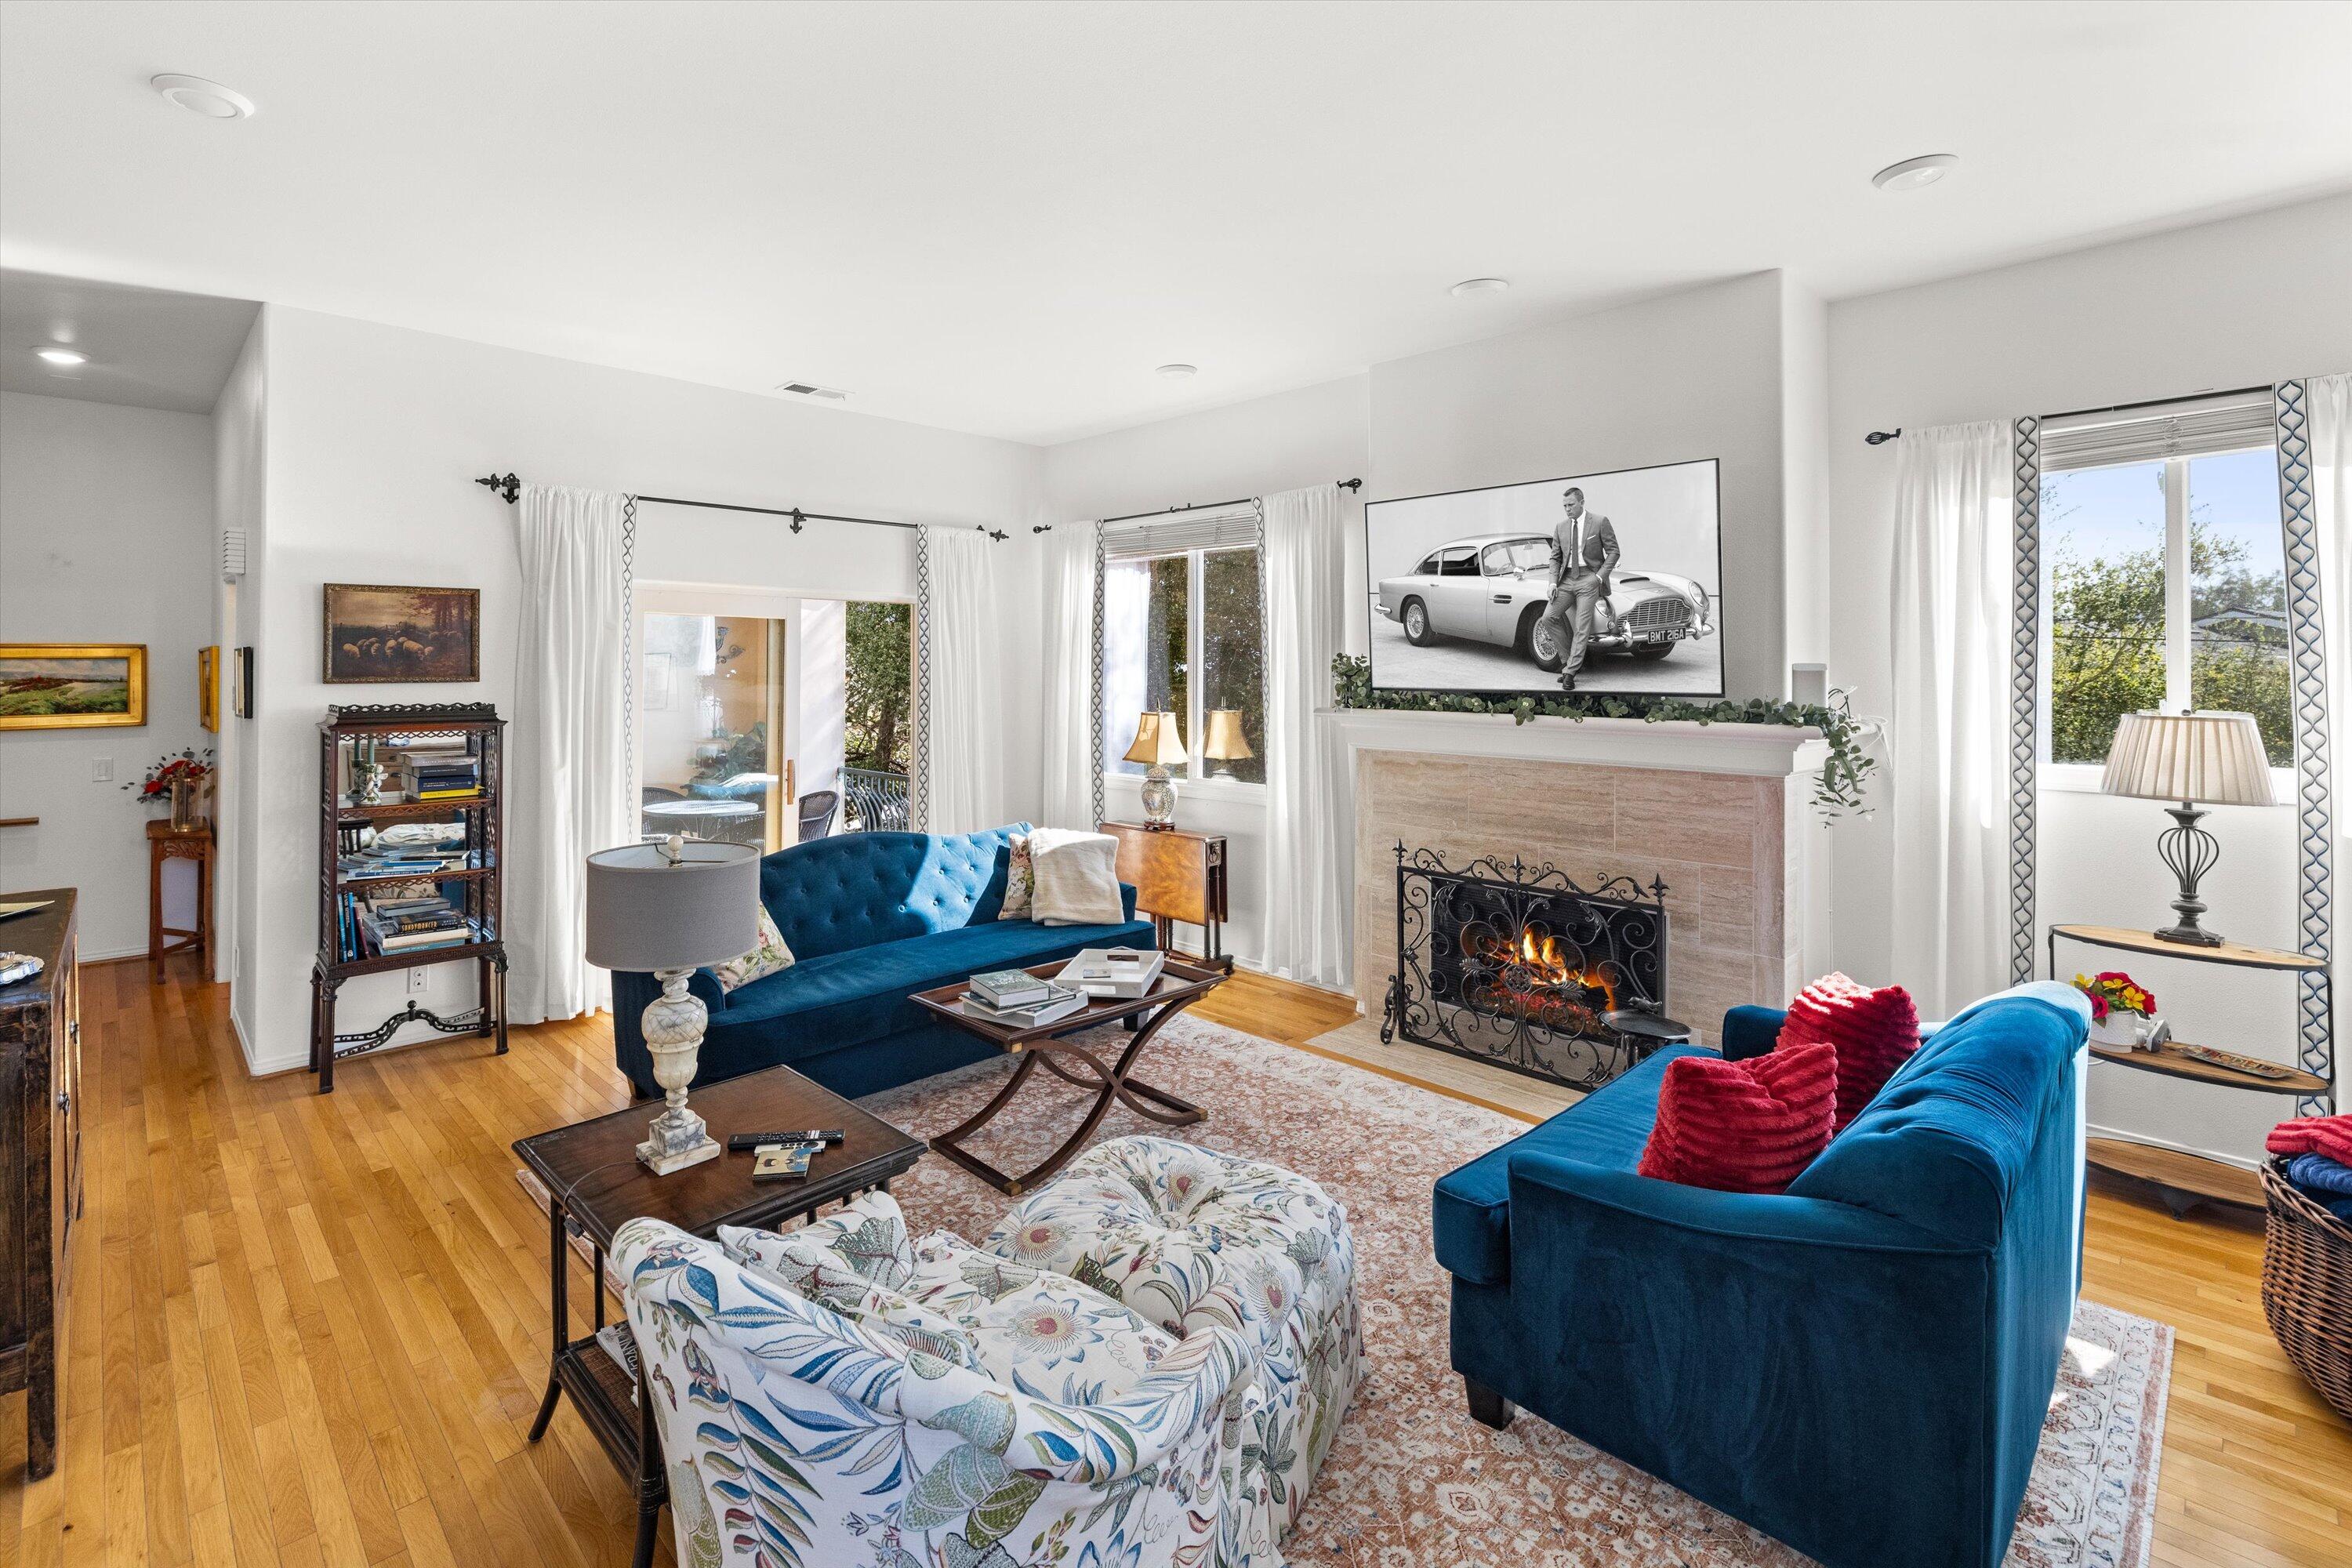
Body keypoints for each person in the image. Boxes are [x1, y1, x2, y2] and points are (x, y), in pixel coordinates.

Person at [1533, 486, 1618, 691]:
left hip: (1589, 578)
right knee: (1548, 617)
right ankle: (1567, 662)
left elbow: (1614, 552)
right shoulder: (1561, 527)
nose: (1567, 509)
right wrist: (1553, 582)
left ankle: (1570, 673)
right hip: (1566, 580)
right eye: (1565, 506)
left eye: (1571, 505)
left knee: (1582, 626)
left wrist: (1598, 577)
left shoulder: (1599, 522)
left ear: (1582, 502)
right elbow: (1555, 557)